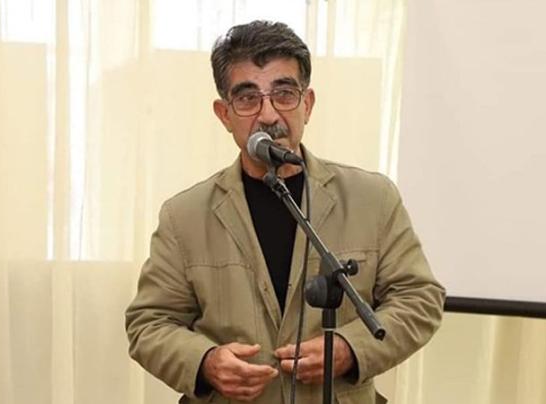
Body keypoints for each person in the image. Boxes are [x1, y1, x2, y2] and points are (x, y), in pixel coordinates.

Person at [125, 20, 445, 404]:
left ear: (307, 105)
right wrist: (205, 362)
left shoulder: (373, 198)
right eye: (247, 98)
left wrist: (349, 348)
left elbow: (419, 298)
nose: (268, 115)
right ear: (224, 114)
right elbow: (149, 324)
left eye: (284, 94)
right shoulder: (184, 216)